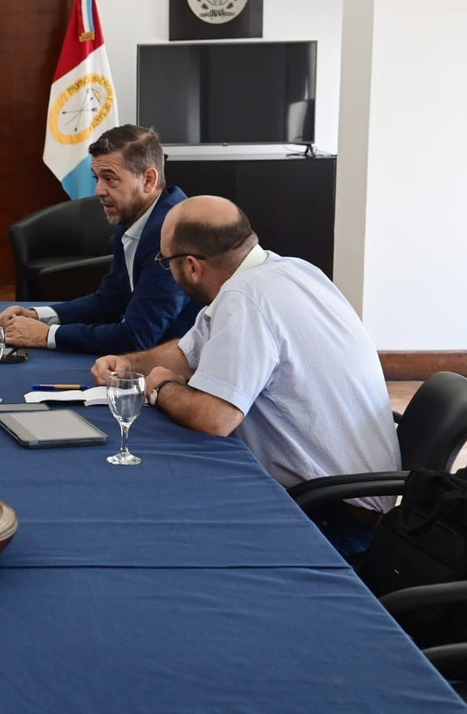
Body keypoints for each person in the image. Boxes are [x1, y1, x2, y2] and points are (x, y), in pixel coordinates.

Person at [91, 196, 400, 558]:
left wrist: (160, 387)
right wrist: (129, 364)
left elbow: (214, 418)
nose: (167, 270)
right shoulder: (288, 270)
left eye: (165, 261)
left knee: (156, 525)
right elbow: (189, 353)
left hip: (330, 519)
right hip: (347, 499)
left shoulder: (244, 297)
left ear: (191, 266)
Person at [0, 125, 201, 354]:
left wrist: (46, 335)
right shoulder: (133, 217)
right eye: (97, 178)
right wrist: (38, 316)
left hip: (185, 366)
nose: (98, 190)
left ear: (148, 180)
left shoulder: (174, 232)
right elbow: (109, 300)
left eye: (110, 179)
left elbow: (137, 337)